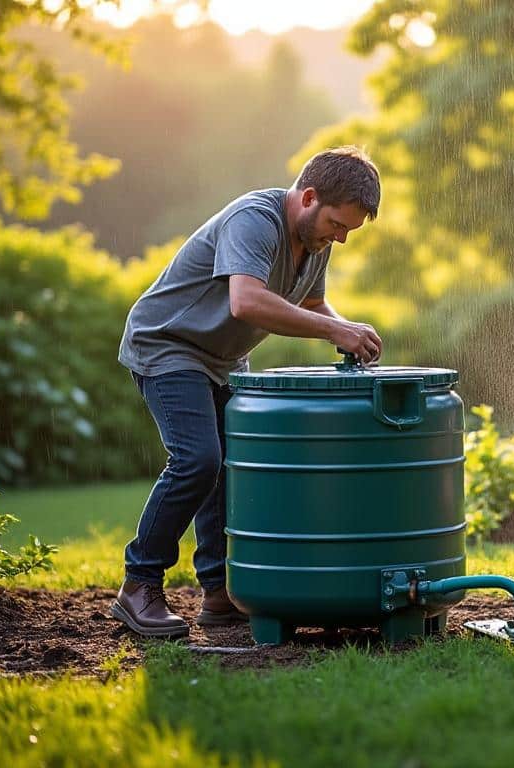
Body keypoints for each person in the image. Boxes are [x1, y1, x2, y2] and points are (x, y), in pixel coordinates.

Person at [111, 146, 383, 638]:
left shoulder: (313, 244)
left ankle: (219, 595)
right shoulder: (254, 220)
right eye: (338, 224)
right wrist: (332, 334)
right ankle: (139, 585)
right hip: (169, 344)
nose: (340, 238)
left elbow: (315, 302)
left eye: (349, 231)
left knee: (228, 468)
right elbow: (247, 301)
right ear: (309, 197)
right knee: (197, 460)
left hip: (220, 360)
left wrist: (350, 329)